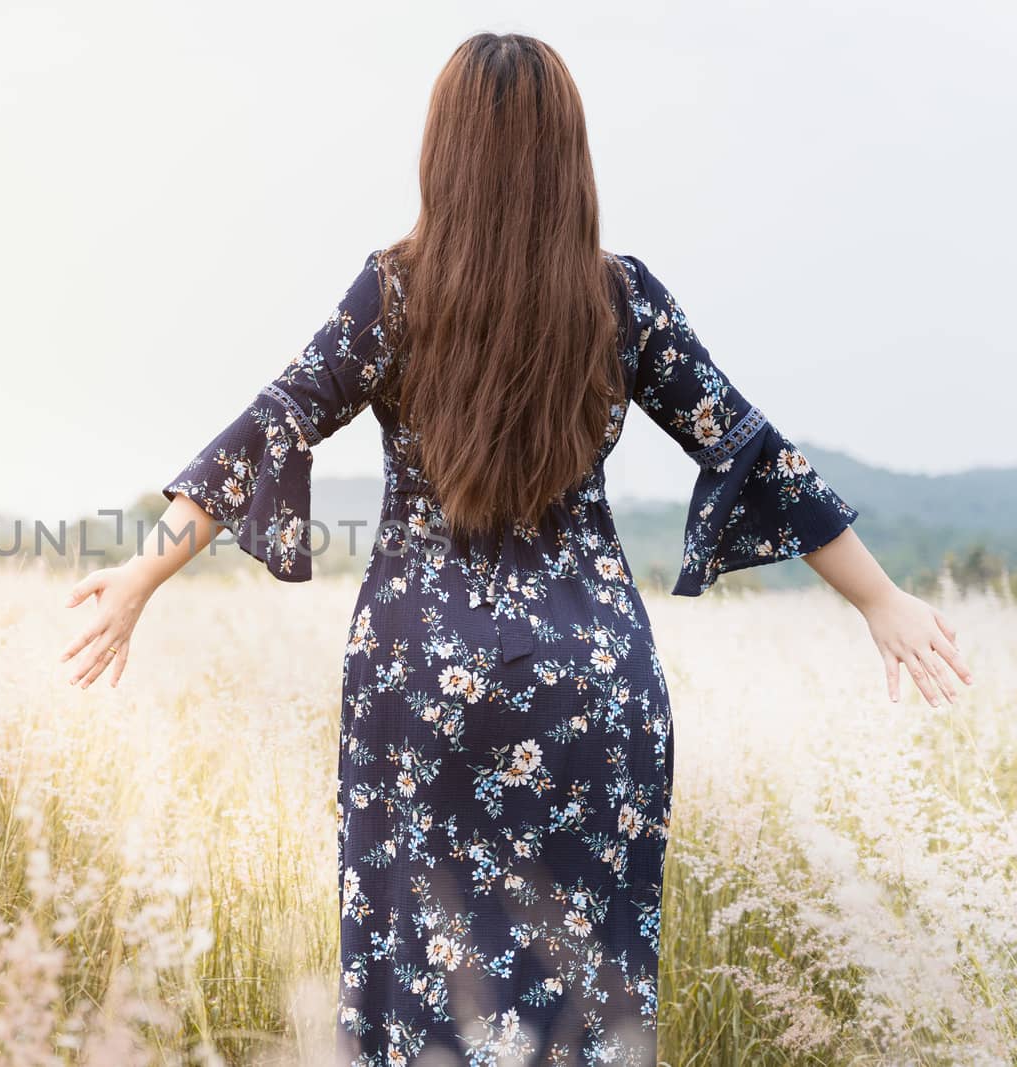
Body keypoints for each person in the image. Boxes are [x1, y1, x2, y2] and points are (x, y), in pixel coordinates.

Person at [60, 31, 972, 1067]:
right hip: (593, 683)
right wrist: (881, 598)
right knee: (587, 1001)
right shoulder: (621, 297)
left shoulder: (394, 291)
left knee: (420, 994)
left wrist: (143, 572)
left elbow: (274, 421)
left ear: (442, 151)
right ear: (568, 155)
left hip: (421, 680)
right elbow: (750, 445)